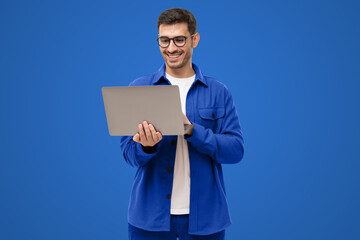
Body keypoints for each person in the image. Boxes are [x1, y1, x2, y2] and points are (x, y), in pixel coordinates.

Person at [120, 8, 244, 240]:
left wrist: (191, 130)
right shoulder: (139, 88)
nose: (171, 48)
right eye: (164, 40)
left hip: (206, 219)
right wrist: (146, 147)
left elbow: (236, 150)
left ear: (194, 39)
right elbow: (128, 154)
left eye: (179, 39)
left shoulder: (218, 91)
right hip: (149, 218)